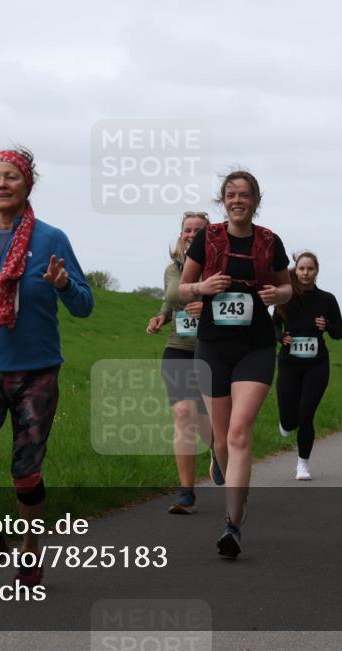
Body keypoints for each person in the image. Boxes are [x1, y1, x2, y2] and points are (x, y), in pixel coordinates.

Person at [0, 147, 94, 587]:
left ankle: (30, 548)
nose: (2, 185)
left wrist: (64, 284)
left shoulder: (52, 240)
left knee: (26, 472)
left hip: (37, 372)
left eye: (11, 177)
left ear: (27, 184)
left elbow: (84, 305)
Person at [179, 170, 291, 559]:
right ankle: (223, 468)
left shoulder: (269, 240)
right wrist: (201, 288)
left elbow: (287, 285)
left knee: (241, 432)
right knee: (222, 438)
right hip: (213, 346)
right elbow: (180, 289)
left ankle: (233, 524)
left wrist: (280, 293)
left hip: (256, 345)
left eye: (245, 194)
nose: (237, 200)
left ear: (256, 200)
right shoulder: (207, 239)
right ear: (222, 200)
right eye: (231, 194)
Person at [146, 212, 214, 514]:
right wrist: (164, 313)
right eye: (188, 230)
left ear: (210, 235)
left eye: (199, 230)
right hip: (179, 349)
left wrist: (208, 304)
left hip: (213, 352)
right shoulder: (173, 268)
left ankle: (216, 449)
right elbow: (174, 293)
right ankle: (186, 492)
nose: (192, 234)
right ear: (181, 234)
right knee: (183, 413)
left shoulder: (220, 268)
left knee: (206, 421)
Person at [273, 251, 342, 481]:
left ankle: (302, 464)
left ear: (317, 271)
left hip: (317, 364)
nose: (305, 273)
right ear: (297, 269)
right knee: (289, 418)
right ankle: (285, 422)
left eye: (310, 269)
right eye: (302, 268)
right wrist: (280, 337)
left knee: (306, 415)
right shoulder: (286, 296)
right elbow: (273, 326)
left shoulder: (327, 299)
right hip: (289, 363)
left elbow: (339, 333)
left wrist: (327, 325)